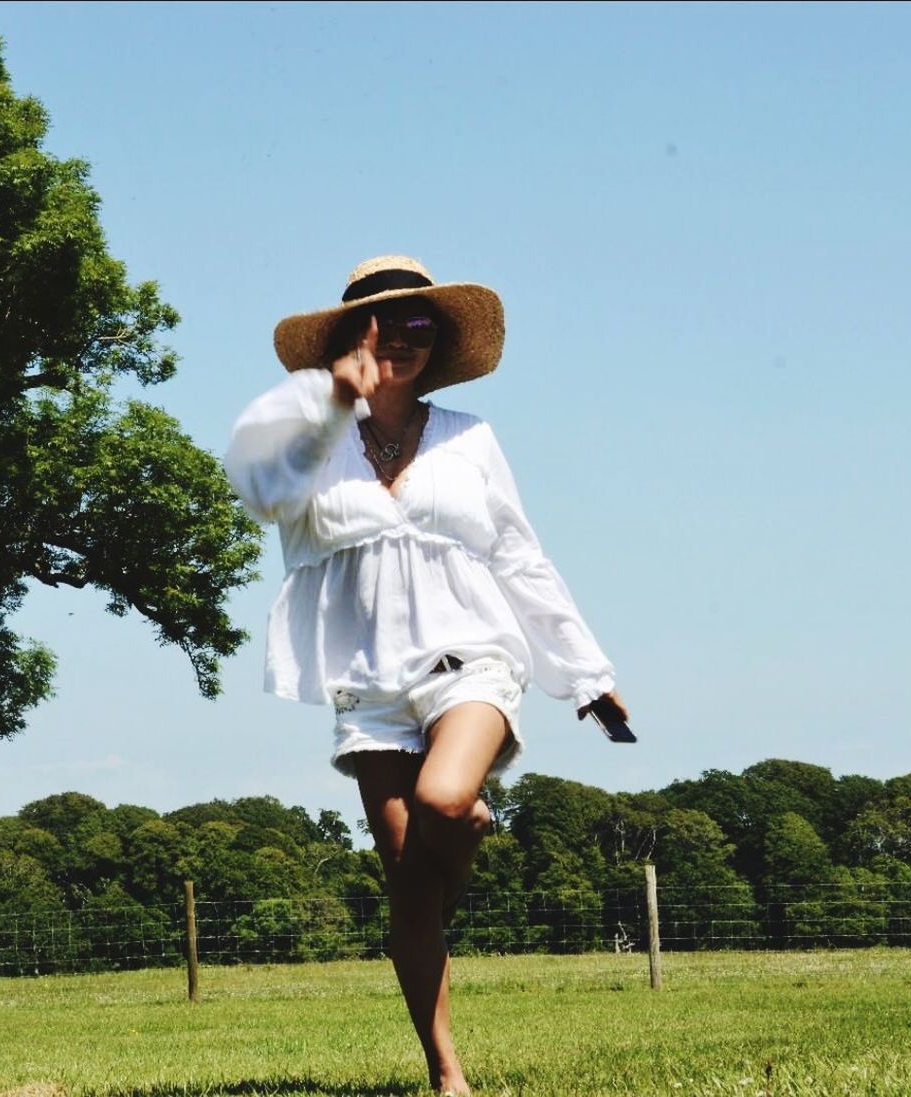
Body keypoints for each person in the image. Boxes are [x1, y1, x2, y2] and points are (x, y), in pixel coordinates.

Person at [224, 255, 628, 1096]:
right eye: (378, 327)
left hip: (470, 657)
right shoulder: (313, 445)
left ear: (437, 340)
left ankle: (467, 820)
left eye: (416, 325)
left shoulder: (470, 436)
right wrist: (333, 396)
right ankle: (446, 1069)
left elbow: (520, 554)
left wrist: (586, 673)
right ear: (346, 341)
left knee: (447, 803)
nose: (399, 341)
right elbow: (254, 482)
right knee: (410, 884)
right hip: (367, 683)